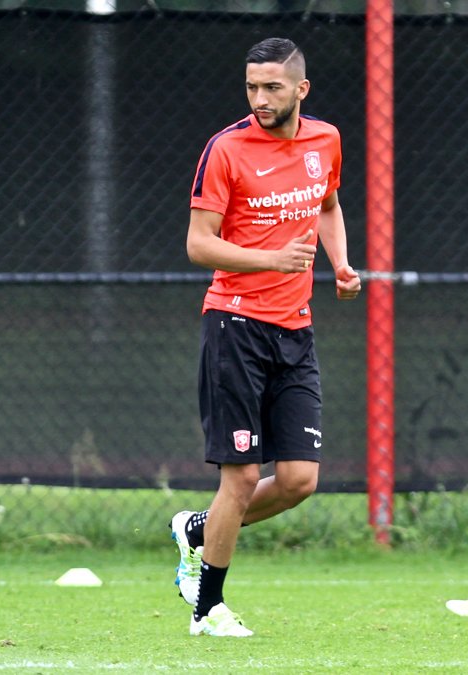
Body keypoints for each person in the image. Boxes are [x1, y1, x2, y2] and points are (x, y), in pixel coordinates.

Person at [171, 37, 361, 638]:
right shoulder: (226, 149)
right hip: (235, 325)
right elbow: (198, 244)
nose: (260, 98)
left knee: (300, 480)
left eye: (272, 87)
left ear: (301, 89)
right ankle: (207, 609)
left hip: (295, 329)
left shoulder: (325, 140)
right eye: (252, 86)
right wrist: (271, 260)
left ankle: (197, 530)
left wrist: (340, 264)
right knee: (243, 477)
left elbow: (327, 206)